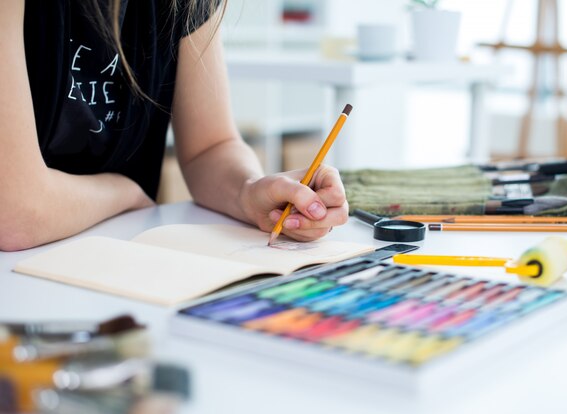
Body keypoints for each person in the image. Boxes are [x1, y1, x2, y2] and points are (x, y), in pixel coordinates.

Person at [0, 0, 349, 252]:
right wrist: (124, 193)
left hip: (112, 258)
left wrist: (251, 191)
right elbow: (15, 213)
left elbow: (210, 147)